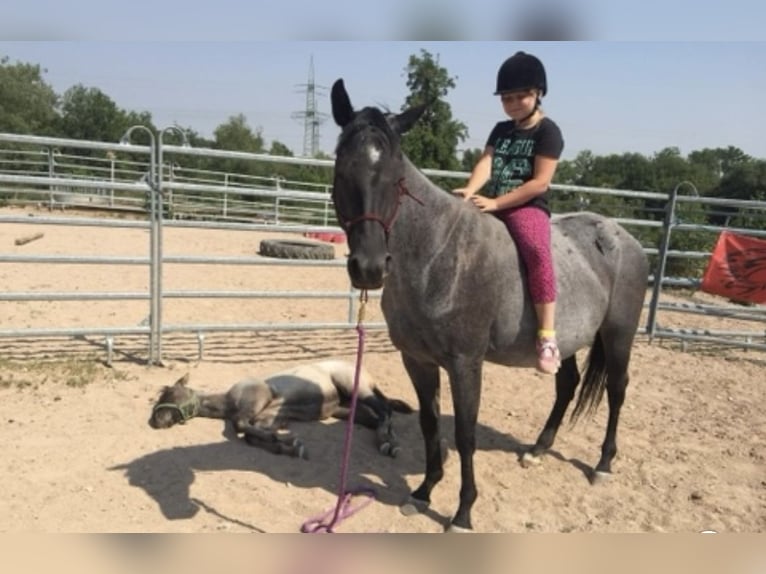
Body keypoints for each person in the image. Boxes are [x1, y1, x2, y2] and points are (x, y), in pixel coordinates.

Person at [454, 51, 564, 375]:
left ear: (538, 93)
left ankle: (547, 336)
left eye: (521, 96)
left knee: (536, 250)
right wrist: (472, 189)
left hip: (526, 205)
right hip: (493, 201)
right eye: (507, 98)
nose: (513, 103)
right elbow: (487, 163)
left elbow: (540, 183)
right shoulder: (501, 129)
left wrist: (498, 204)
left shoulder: (548, 131)